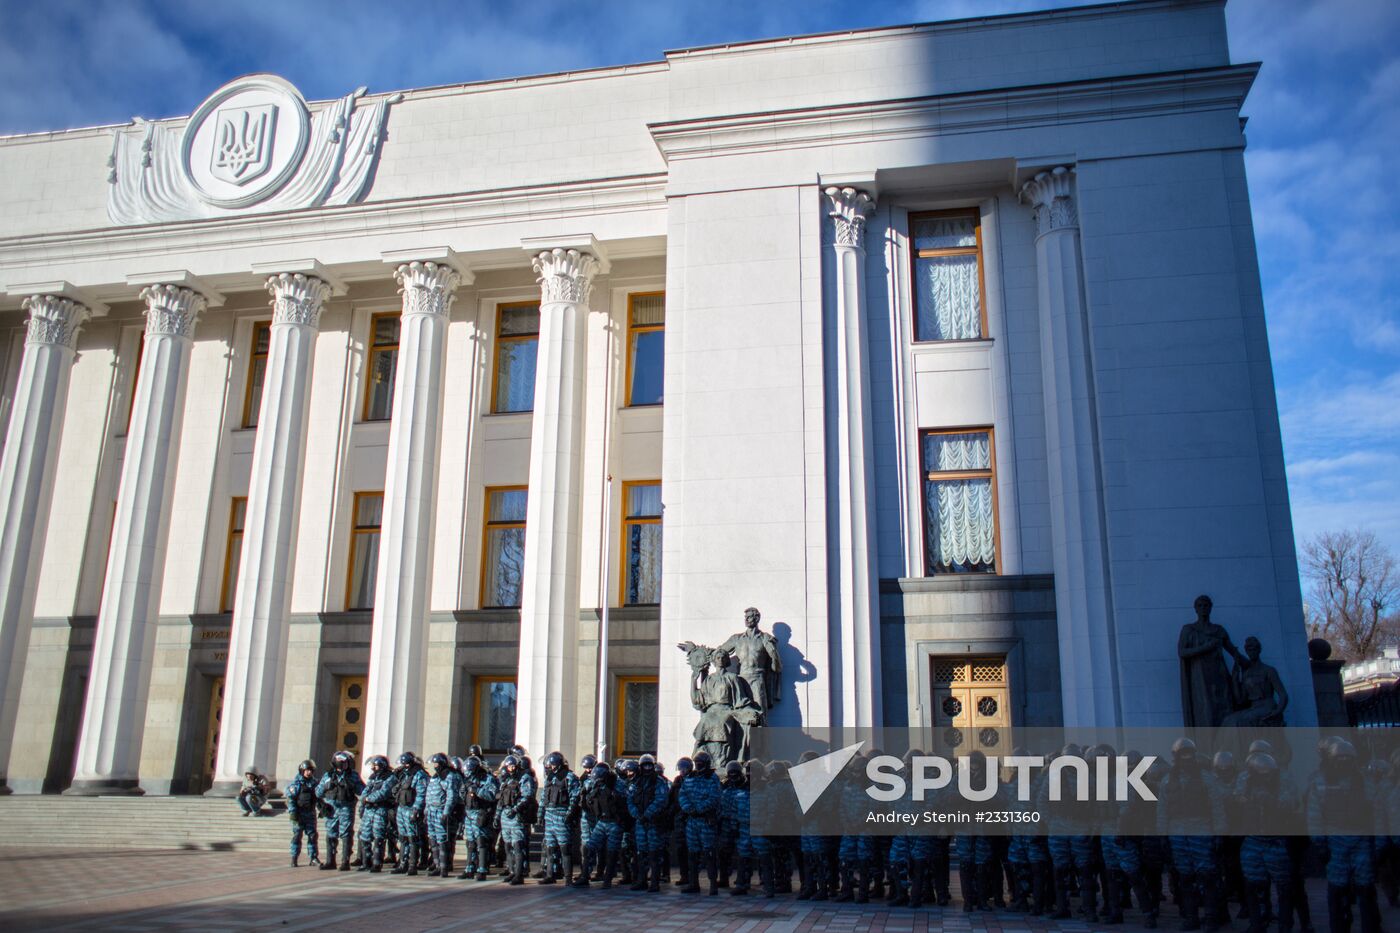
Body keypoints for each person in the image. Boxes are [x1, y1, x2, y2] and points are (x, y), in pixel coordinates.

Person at [1307, 738, 1382, 933]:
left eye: (1347, 758)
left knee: (1365, 889)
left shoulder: (1365, 781)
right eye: (1339, 758)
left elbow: (1377, 812)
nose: (1343, 762)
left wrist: (1380, 842)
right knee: (1338, 890)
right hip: (1335, 841)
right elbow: (1314, 815)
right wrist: (1319, 842)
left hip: (1362, 840)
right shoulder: (1320, 782)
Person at [1157, 738, 1225, 931]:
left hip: (1201, 830)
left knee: (1207, 876)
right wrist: (1162, 834)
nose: (1186, 759)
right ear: (1176, 757)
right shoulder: (1167, 781)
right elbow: (1162, 810)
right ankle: (1191, 917)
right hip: (1177, 833)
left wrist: (1220, 832)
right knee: (1185, 878)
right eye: (1182, 755)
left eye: (1189, 755)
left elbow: (1217, 807)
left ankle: (1211, 917)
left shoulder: (1206, 778)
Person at [576, 761, 627, 889]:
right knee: (589, 848)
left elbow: (624, 801)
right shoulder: (595, 783)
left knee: (612, 851)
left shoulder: (618, 784)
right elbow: (588, 799)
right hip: (601, 821)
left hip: (615, 822)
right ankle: (584, 877)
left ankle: (607, 879)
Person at [678, 750, 722, 895]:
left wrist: (700, 809)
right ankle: (693, 883)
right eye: (696, 763)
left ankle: (713, 885)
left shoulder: (712, 778)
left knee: (709, 853)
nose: (698, 765)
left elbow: (714, 798)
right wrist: (689, 808)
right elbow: (682, 795)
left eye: (700, 763)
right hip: (692, 821)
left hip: (706, 821)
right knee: (692, 853)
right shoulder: (690, 777)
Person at [627, 753, 670, 892]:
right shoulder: (636, 782)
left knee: (654, 852)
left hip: (654, 822)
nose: (646, 768)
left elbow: (661, 800)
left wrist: (647, 814)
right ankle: (642, 880)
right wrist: (636, 814)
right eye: (644, 766)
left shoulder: (659, 782)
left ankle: (655, 883)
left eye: (649, 765)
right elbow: (630, 800)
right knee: (641, 852)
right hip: (640, 822)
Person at [315, 750, 364, 872]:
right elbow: (318, 792)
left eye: (346, 763)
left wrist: (351, 785)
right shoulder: (328, 775)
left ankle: (345, 861)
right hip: (332, 808)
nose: (344, 765)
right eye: (341, 763)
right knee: (331, 833)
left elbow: (362, 791)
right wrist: (327, 785)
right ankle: (330, 861)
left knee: (346, 833)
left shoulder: (353, 775)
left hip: (346, 807)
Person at [539, 751, 581, 885]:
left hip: (561, 814)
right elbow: (543, 797)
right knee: (550, 847)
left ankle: (568, 877)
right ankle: (550, 874)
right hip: (549, 814)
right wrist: (540, 813)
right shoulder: (549, 777)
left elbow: (575, 797)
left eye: (552, 765)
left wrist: (569, 813)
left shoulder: (569, 777)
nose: (550, 767)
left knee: (565, 848)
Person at [459, 754, 498, 881]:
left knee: (481, 842)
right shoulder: (468, 779)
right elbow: (462, 795)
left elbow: (492, 795)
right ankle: (469, 868)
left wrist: (477, 791)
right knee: (470, 843)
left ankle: (482, 869)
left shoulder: (487, 778)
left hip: (480, 812)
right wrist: (464, 791)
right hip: (469, 812)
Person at [424, 752, 464, 878]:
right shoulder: (435, 777)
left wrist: (446, 812)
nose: (434, 766)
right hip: (431, 811)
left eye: (436, 764)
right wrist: (426, 811)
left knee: (442, 840)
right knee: (433, 839)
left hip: (441, 811)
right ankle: (437, 865)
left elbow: (451, 795)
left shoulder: (450, 776)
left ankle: (444, 867)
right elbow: (428, 795)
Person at [495, 754, 532, 885]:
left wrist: (515, 809)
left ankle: (519, 874)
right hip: (505, 815)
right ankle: (511, 871)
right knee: (507, 846)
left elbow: (527, 797)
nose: (510, 769)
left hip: (516, 816)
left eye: (512, 766)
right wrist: (497, 816)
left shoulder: (524, 778)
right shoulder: (506, 780)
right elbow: (501, 799)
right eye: (508, 766)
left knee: (517, 845)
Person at [357, 755, 396, 873]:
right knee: (364, 836)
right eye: (373, 765)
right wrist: (364, 800)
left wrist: (368, 799)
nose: (373, 768)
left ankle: (377, 863)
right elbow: (365, 791)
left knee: (379, 837)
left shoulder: (390, 778)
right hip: (369, 810)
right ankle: (366, 862)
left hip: (381, 809)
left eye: (376, 765)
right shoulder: (373, 777)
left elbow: (383, 793)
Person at [392, 752, 428, 876]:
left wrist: (416, 810)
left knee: (413, 838)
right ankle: (403, 864)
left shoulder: (419, 775)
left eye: (405, 764)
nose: (403, 766)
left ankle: (412, 865)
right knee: (403, 838)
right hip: (402, 808)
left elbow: (421, 794)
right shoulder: (404, 775)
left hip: (411, 809)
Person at [285, 759, 320, 867]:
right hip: (299, 814)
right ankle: (294, 858)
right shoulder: (296, 784)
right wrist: (293, 813)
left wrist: (322, 807)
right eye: (307, 770)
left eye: (311, 770)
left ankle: (313, 858)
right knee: (297, 836)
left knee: (312, 836)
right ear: (302, 770)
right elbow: (290, 799)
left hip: (310, 814)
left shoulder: (315, 783)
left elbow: (319, 797)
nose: (309, 772)